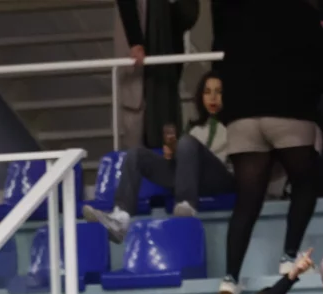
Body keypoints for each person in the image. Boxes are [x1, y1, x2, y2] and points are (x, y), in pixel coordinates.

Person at [212, 0, 323, 294]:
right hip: (288, 109)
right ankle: (289, 256)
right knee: (305, 182)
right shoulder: (301, 10)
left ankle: (229, 279)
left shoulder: (234, 11)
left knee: (247, 200)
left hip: (243, 115)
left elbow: (219, 62)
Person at [87, 71, 231, 243]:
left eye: (218, 92)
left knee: (186, 142)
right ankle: (120, 218)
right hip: (189, 177)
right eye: (207, 92)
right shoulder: (194, 128)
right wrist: (171, 155)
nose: (213, 98)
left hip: (217, 177)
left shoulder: (234, 125)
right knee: (136, 154)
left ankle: (186, 205)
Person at [113, 0, 199, 153]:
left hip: (168, 78)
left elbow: (189, 16)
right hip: (137, 79)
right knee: (134, 126)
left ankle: (168, 164)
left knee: (168, 126)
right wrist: (135, 42)